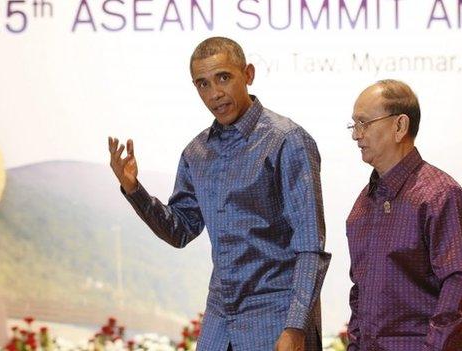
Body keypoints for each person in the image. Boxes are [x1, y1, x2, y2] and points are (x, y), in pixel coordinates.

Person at [108, 37, 331, 351]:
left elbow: (310, 246)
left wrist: (296, 326)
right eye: (202, 84)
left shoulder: (287, 140)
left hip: (276, 316)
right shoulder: (195, 153)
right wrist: (134, 189)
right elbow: (180, 231)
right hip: (220, 319)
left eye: (223, 78)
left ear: (248, 74)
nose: (214, 94)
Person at [345, 79, 462, 350]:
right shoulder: (363, 204)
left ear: (399, 126)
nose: (356, 135)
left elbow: (455, 292)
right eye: (353, 125)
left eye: (363, 123)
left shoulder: (440, 195)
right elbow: (359, 293)